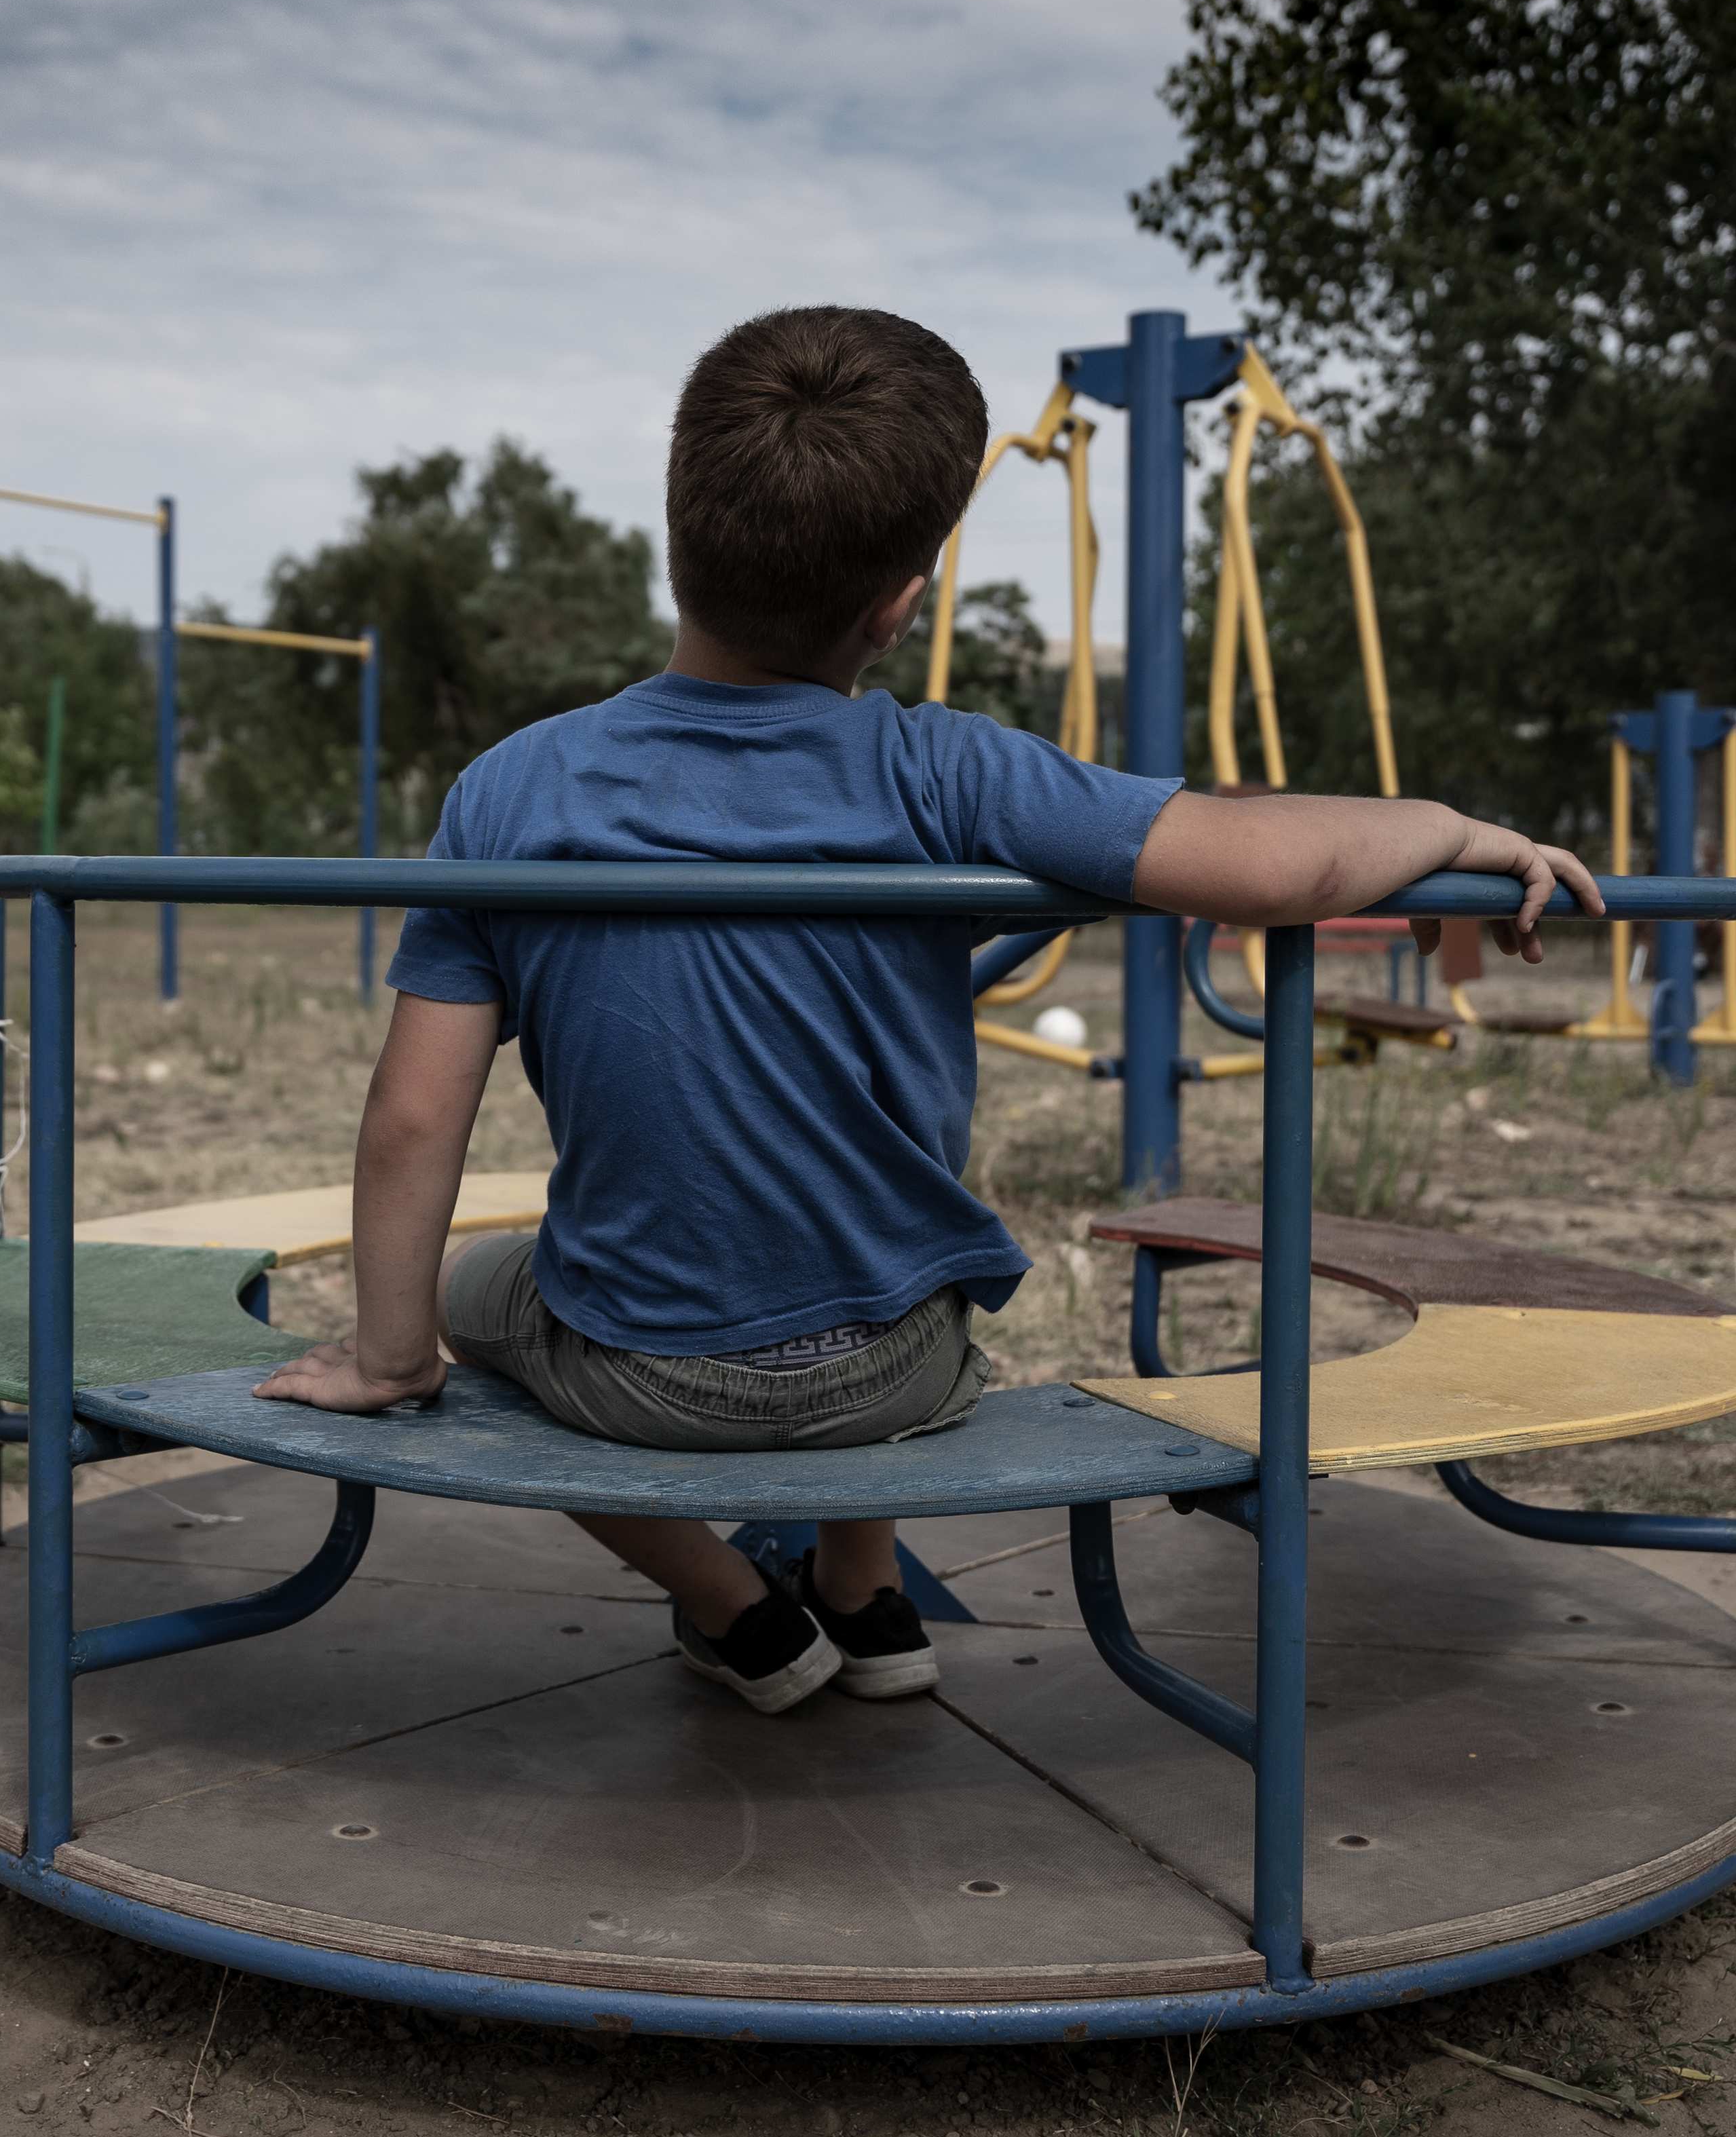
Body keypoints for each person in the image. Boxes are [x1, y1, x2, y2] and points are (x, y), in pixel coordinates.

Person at [257, 306, 1599, 1713]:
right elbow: (1276, 868)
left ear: (675, 539)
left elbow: (414, 1116)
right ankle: (865, 1592)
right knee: (860, 1233)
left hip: (638, 1376)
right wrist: (1459, 826)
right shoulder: (944, 772)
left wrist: (387, 1355)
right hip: (900, 1365)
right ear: (900, 604)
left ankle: (738, 1615)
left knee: (483, 1302)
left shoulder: (510, 793)